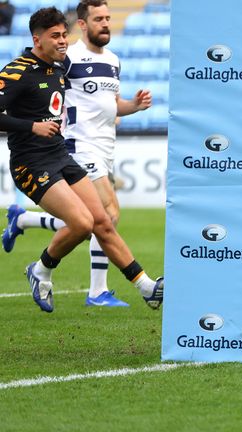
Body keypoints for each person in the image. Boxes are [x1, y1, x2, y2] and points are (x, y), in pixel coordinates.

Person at [0, 7, 162, 313]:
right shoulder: (18, 71)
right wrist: (30, 126)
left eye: (64, 35)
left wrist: (118, 110)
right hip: (31, 164)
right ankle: (41, 269)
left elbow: (94, 99)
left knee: (101, 220)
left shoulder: (60, 68)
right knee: (82, 223)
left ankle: (146, 286)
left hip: (60, 155)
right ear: (37, 39)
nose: (63, 41)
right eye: (55, 36)